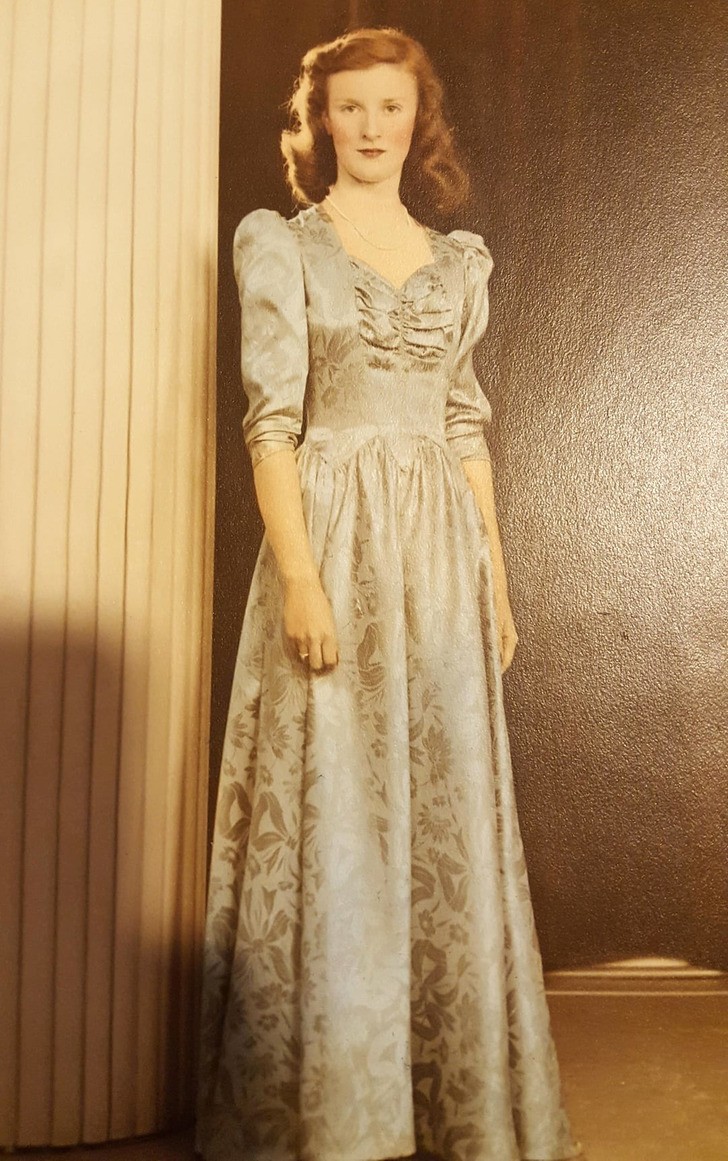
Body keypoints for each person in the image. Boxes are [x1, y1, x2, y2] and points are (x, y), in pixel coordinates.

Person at [196, 25, 584, 1161]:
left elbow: (465, 428)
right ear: (322, 120)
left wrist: (496, 581)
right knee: (337, 809)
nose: (371, 127)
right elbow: (271, 424)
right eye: (351, 107)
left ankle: (448, 1106)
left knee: (441, 809)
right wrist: (300, 579)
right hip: (331, 545)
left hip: (440, 561)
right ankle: (337, 1114)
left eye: (391, 108)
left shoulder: (460, 263)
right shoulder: (282, 246)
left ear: (420, 122)